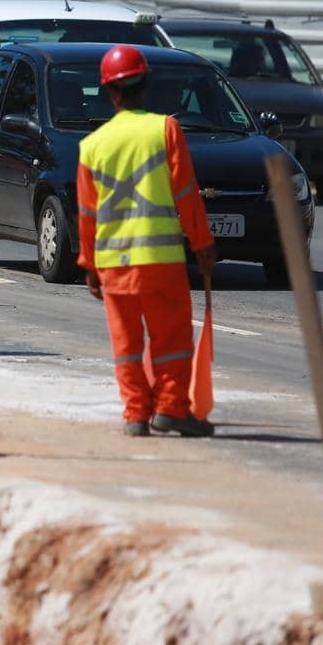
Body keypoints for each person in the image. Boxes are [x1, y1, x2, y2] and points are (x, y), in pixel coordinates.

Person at [77, 44, 216, 438]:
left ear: (110, 92)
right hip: (161, 262)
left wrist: (88, 263)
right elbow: (186, 192)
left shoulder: (92, 146)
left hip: (114, 266)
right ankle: (171, 410)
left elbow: (87, 213)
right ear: (146, 85)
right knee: (170, 340)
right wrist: (203, 243)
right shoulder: (165, 129)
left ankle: (136, 415)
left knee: (126, 344)